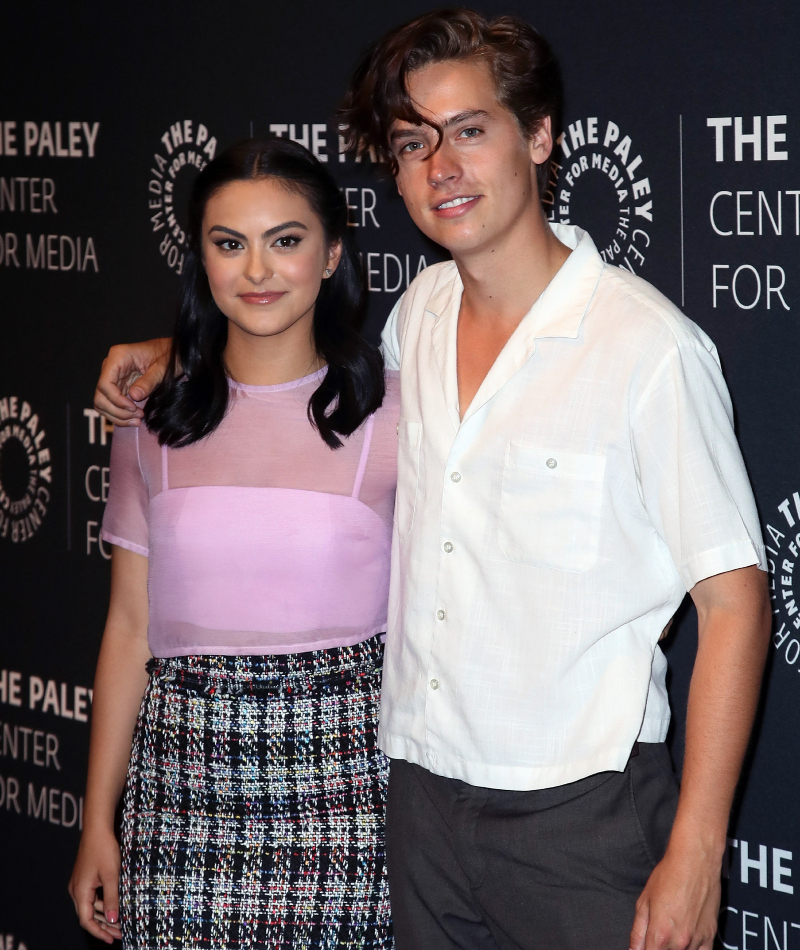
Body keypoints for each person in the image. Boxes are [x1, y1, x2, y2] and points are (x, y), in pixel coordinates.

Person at [93, 9, 772, 950]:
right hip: (412, 807)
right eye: (414, 143)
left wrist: (699, 847)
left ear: (540, 138)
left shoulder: (646, 349)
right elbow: (288, 369)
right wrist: (179, 349)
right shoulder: (417, 314)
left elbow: (734, 600)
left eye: (470, 130)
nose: (441, 166)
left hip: (582, 819)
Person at [70, 137, 398, 950]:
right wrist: (96, 822)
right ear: (202, 260)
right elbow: (126, 629)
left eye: (286, 240)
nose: (257, 270)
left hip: (347, 793)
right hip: (178, 792)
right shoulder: (150, 418)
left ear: (332, 255)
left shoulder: (397, 413)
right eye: (229, 243)